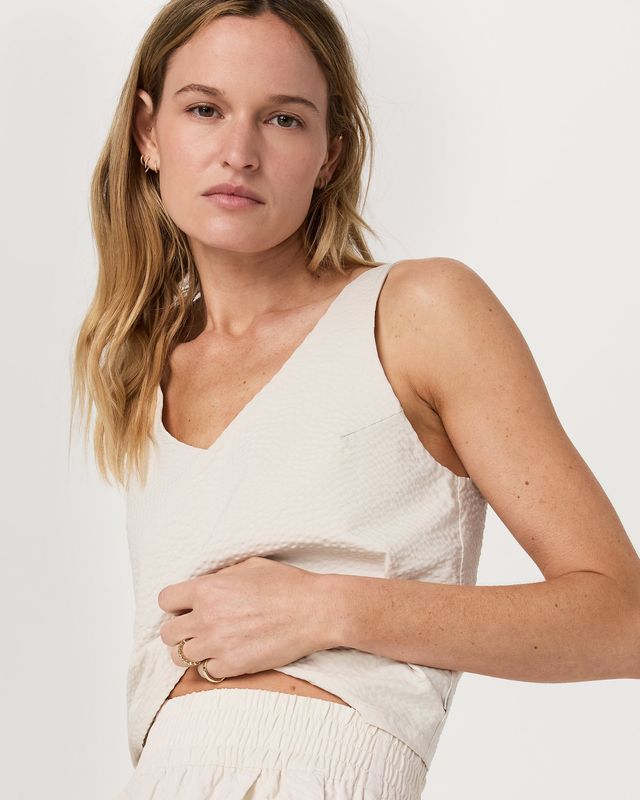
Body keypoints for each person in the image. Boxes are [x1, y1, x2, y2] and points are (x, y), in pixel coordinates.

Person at [71, 1, 640, 798]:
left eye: (284, 119)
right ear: (148, 132)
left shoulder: (418, 313)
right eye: (204, 109)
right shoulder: (141, 363)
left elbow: (623, 621)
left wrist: (329, 609)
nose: (239, 153)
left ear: (329, 153)